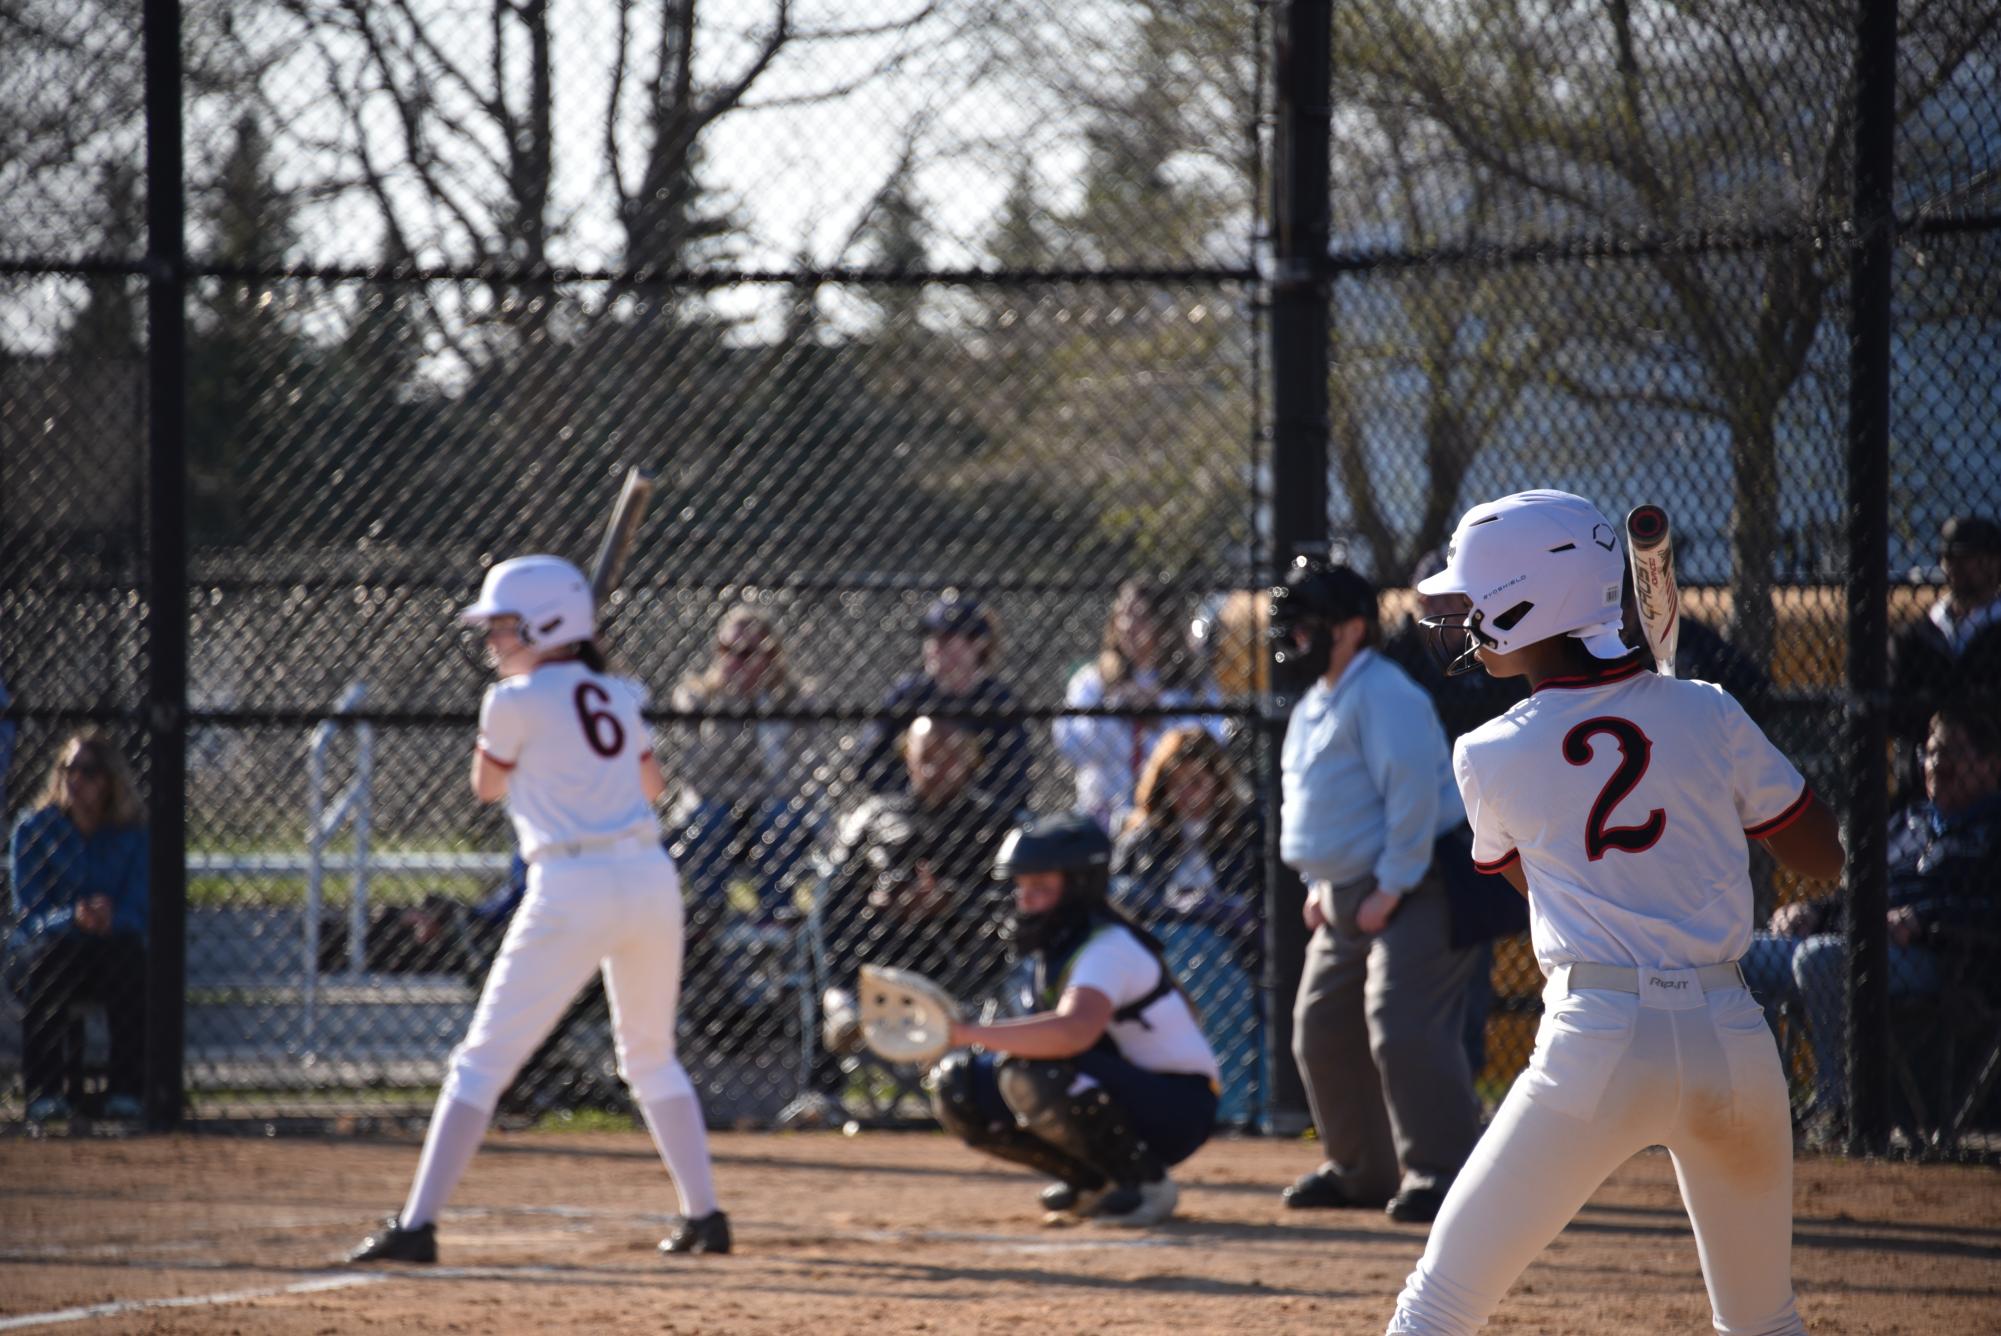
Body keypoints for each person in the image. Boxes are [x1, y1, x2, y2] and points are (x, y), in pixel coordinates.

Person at [1385, 489, 1845, 1335]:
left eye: (1475, 602)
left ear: (1527, 602)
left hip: (1596, 1043)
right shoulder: (1706, 710)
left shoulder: (1484, 753)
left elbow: (1536, 881)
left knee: (1438, 1304)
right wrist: (1707, 778)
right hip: (1731, 1039)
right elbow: (1821, 855)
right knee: (1761, 1320)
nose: (1462, 621)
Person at [350, 555, 727, 1263]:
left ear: (544, 624)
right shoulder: (615, 693)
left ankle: (417, 1226)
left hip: (570, 883)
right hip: (648, 875)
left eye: (503, 628)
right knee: (649, 1055)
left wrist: (539, 737)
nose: (492, 642)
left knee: (481, 1062)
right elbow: (649, 783)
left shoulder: (512, 702)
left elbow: (485, 788)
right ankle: (704, 1215)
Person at [1271, 556, 1483, 1225]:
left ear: (1353, 628)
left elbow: (1413, 798)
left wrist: (1389, 889)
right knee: (1320, 1029)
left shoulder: (1383, 691)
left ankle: (1443, 1175)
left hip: (1415, 882)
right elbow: (1318, 802)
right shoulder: (1315, 701)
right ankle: (1360, 1170)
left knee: (1402, 1028)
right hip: (1344, 890)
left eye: (1308, 626)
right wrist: (1316, 881)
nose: (1295, 640)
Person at [927, 813, 1221, 1228]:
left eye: (1041, 887)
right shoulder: (1054, 950)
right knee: (959, 1083)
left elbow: (1072, 1033)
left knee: (1033, 1068)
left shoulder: (1107, 947)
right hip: (1121, 1089)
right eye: (1022, 886)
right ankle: (1093, 1181)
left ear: (1079, 887)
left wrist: (963, 1033)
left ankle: (1146, 1185)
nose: (1025, 899)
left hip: (1177, 1107)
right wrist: (965, 1039)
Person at [1743, 706, 2001, 1135]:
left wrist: (1925, 920)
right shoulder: (1909, 821)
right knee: (1744, 955)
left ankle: (1837, 1106)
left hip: (1937, 954)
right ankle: (1757, 1103)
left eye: (1956, 753)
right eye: (1933, 753)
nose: (1940, 765)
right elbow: (1857, 892)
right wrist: (1813, 911)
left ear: (1992, 764)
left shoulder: (1994, 827)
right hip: (1864, 940)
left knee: (1818, 959)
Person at [1112, 726, 1264, 1123]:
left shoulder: (1246, 831)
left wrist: (1215, 911)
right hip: (1159, 954)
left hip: (1231, 959)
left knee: (1202, 944)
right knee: (1183, 939)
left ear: (1218, 782)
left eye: (1198, 781)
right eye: (1176, 783)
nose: (1187, 793)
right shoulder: (1142, 836)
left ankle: (1232, 1108)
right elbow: (1121, 896)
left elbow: (1256, 905)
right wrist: (1180, 907)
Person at [8, 732, 149, 1122]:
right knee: (54, 957)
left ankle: (126, 1092)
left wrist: (110, 918)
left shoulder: (133, 836)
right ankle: (45, 1094)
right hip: (47, 953)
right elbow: (30, 915)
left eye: (88, 772)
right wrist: (72, 917)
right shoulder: (34, 829)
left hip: (111, 949)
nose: (76, 780)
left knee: (128, 957)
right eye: (68, 769)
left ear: (110, 781)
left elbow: (141, 907)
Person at [667, 606, 822, 921]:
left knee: (779, 817)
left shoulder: (795, 701)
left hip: (773, 810)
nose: (732, 661)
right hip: (715, 808)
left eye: (745, 652)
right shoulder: (695, 699)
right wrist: (728, 706)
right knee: (708, 816)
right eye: (726, 650)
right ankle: (708, 920)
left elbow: (797, 779)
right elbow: (697, 777)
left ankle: (772, 921)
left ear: (770, 656)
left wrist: (761, 705)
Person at [1053, 580, 1223, 832]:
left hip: (1171, 821)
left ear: (1163, 624)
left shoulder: (1192, 683)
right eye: (1122, 615)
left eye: (1140, 617)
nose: (1128, 626)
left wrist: (1161, 711)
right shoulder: (1094, 681)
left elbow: (1216, 739)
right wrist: (1117, 710)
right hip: (1101, 816)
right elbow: (1070, 745)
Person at [855, 594, 1034, 817]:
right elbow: (868, 761)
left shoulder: (998, 701)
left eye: (946, 638)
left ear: (978, 643)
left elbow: (1012, 777)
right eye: (931, 637)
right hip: (910, 814)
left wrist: (967, 804)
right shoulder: (908, 695)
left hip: (980, 819)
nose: (934, 647)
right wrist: (914, 796)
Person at [1889, 516, 2001, 798]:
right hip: (1921, 788)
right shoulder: (1915, 636)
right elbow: (1895, 712)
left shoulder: (1995, 634)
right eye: (1951, 557)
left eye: (1972, 558)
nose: (1959, 567)